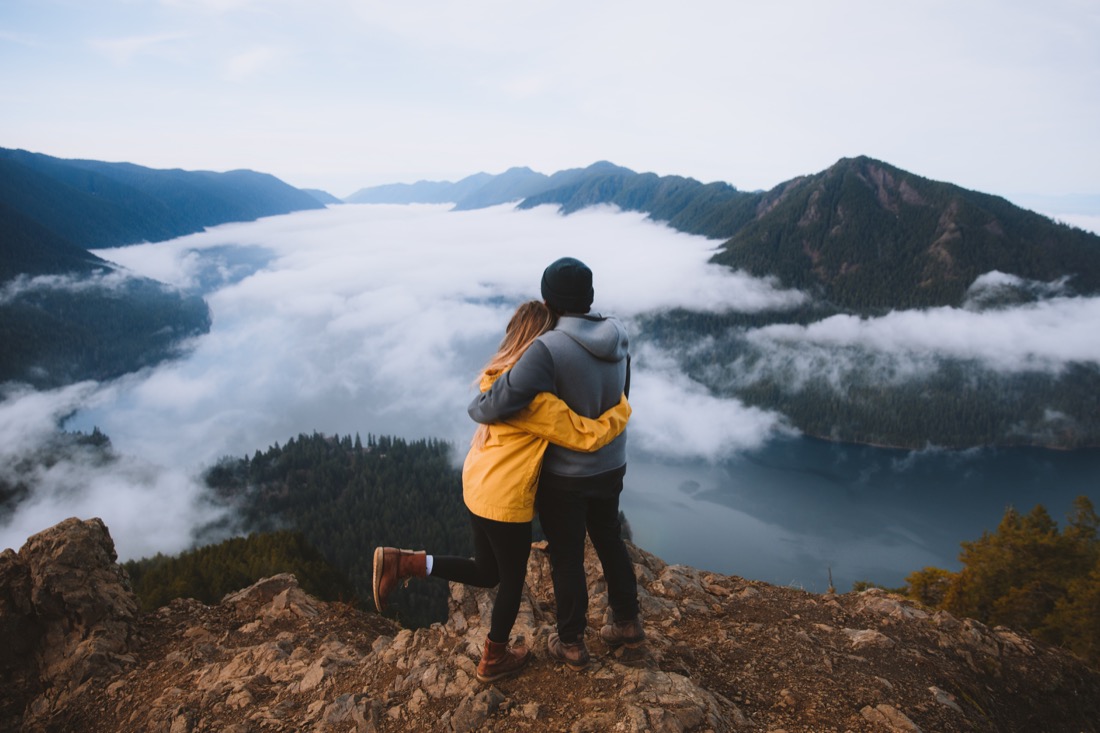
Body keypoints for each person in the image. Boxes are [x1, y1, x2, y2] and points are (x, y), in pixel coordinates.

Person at [372, 300, 631, 683]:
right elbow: (585, 435)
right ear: (539, 344)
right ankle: (494, 657)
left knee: (486, 570)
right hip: (504, 497)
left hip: (478, 482)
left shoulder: (498, 377)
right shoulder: (534, 401)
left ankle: (407, 563)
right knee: (511, 580)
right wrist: (622, 409)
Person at [467, 257, 644, 672]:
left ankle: (570, 644)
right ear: (590, 297)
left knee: (567, 555)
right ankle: (628, 623)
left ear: (548, 301)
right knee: (609, 538)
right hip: (612, 463)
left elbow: (501, 400)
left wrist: (478, 405)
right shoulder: (618, 335)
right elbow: (622, 393)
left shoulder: (548, 348)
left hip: (567, 476)